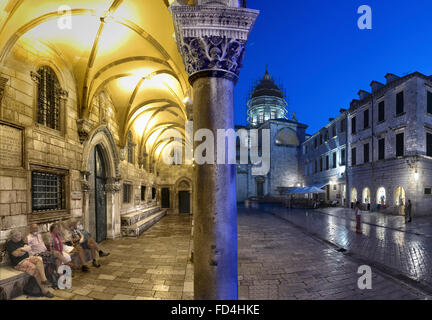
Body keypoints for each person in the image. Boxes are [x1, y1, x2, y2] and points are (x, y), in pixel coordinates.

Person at [5, 230, 54, 298]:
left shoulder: (20, 241)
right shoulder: (9, 244)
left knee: (38, 260)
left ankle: (44, 279)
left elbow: (29, 248)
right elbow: (16, 254)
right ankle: (44, 291)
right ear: (13, 236)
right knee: (35, 269)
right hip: (19, 263)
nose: (20, 236)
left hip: (27, 258)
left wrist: (21, 250)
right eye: (18, 235)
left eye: (20, 235)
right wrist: (23, 249)